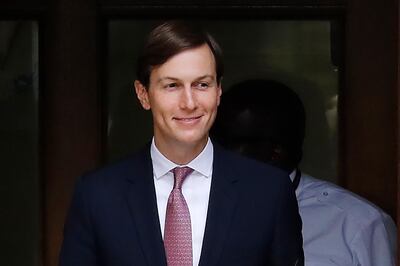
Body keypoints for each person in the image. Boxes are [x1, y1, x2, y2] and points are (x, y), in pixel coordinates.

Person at [59, 22, 304, 266]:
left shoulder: (269, 192)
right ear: (143, 94)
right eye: (172, 86)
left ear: (218, 91)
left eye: (202, 84)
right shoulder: (98, 195)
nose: (189, 102)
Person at [211, 79, 397, 266]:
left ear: (275, 153)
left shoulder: (357, 224)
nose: (209, 149)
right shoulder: (191, 211)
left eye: (224, 141)